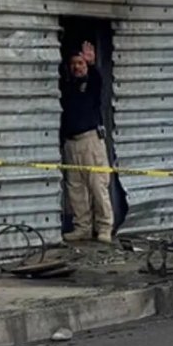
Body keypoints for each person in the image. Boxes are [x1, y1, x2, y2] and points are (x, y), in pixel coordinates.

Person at [60, 41, 114, 244]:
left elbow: (98, 80)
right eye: (74, 63)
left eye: (81, 63)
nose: (77, 67)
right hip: (71, 143)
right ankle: (82, 227)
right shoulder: (67, 86)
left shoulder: (91, 84)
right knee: (75, 188)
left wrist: (92, 65)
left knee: (97, 185)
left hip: (90, 141)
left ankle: (104, 227)